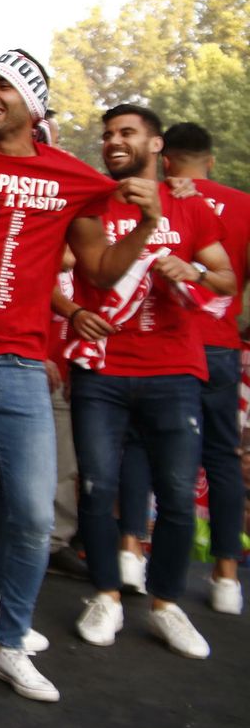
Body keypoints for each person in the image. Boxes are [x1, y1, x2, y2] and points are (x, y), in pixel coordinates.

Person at [0, 50, 167, 702]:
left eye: (2, 85)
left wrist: (151, 223)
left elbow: (98, 270)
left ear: (33, 105)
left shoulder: (70, 178)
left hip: (19, 367)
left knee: (34, 515)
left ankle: (8, 644)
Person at [61, 105, 233, 659]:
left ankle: (166, 603)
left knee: (179, 495)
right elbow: (99, 273)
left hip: (175, 370)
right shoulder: (89, 200)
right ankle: (107, 595)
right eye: (108, 134)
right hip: (102, 370)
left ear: (156, 145)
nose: (114, 141)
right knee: (97, 487)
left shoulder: (193, 205)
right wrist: (149, 225)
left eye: (127, 133)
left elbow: (227, 275)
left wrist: (196, 273)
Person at [159, 122, 248, 615]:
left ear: (165, 158)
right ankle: (227, 577)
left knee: (143, 448)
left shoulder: (165, 199)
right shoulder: (244, 205)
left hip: (173, 347)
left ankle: (129, 552)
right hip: (222, 347)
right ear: (210, 159)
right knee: (222, 456)